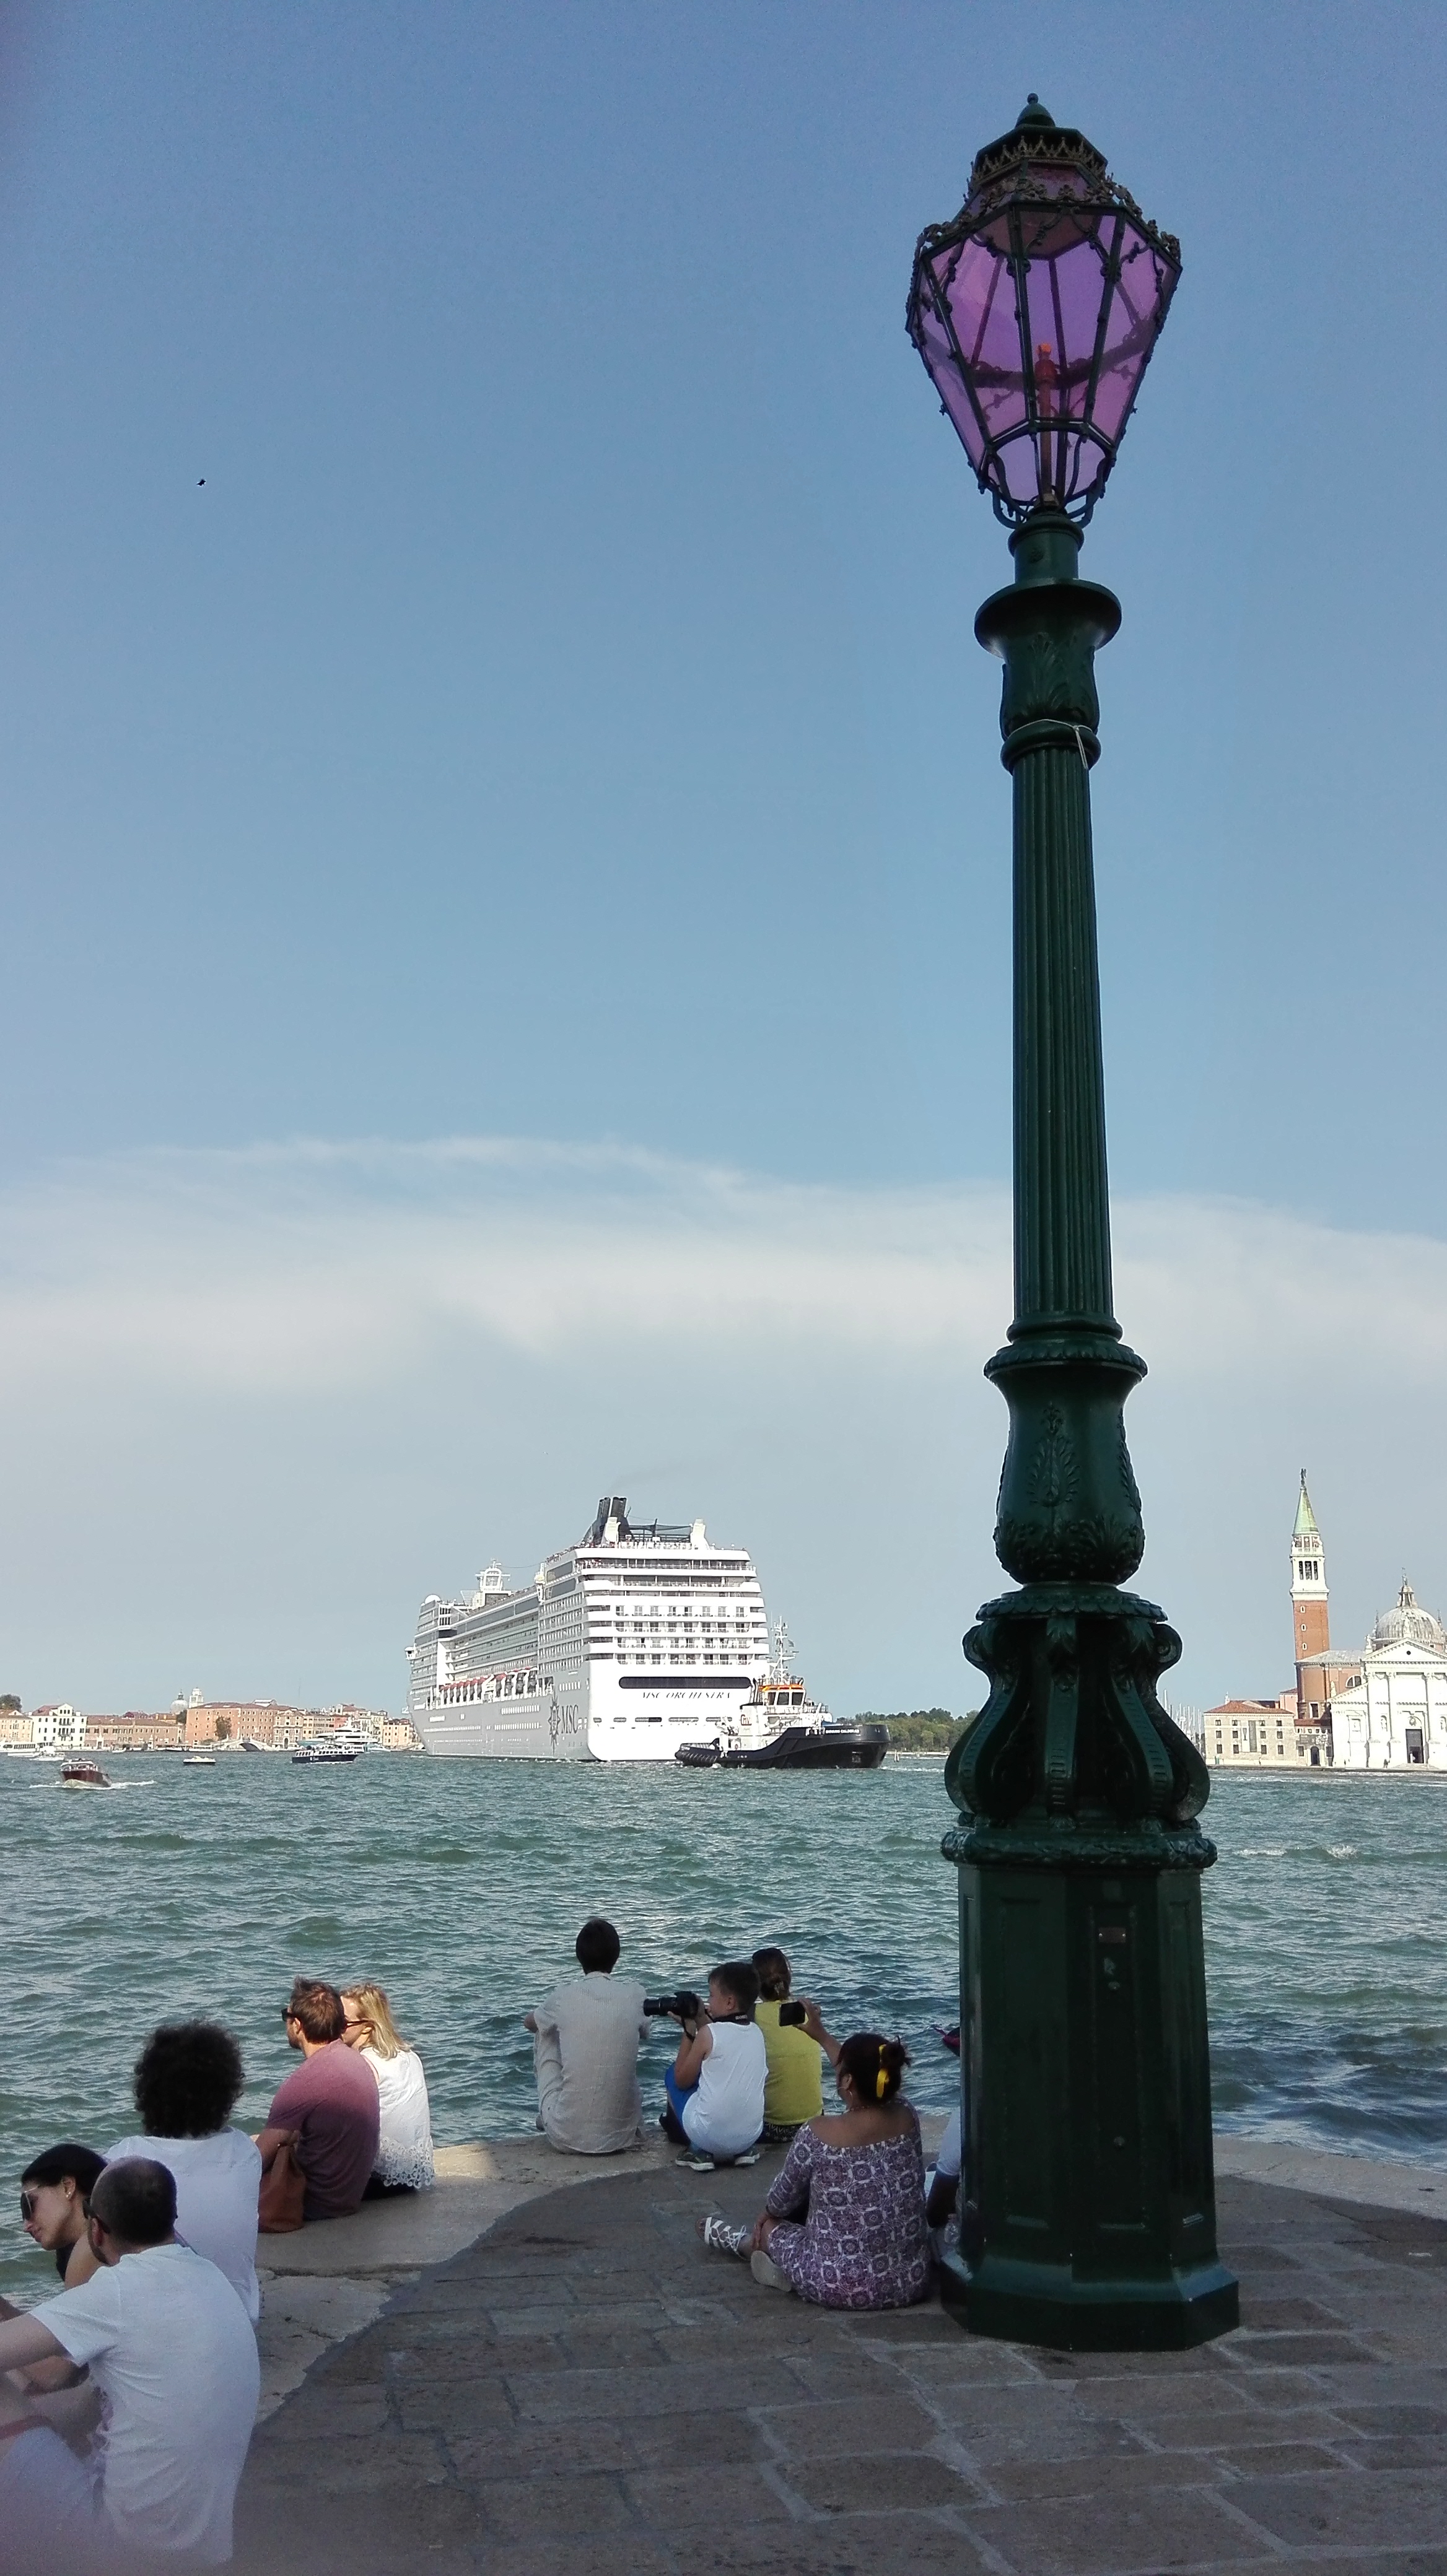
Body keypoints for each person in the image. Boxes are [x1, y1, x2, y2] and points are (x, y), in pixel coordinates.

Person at [0, 2157, 260, 2571]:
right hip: (203, 2546)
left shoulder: (118, 2291)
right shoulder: (210, 2276)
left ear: (97, 2230)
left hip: (125, 2546)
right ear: (171, 2219)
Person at [698, 2032, 931, 2310]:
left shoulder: (818, 2134)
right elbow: (862, 2074)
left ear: (847, 2080)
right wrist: (820, 2034)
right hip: (909, 2281)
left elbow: (780, 2201)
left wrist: (766, 2217)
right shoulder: (907, 2115)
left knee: (773, 2226)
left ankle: (746, 2245)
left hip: (837, 2285)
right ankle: (769, 2259)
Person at [105, 2021, 262, 2318]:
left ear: (148, 2091)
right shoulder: (244, 2151)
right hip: (239, 2319)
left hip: (161, 2323)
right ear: (226, 2093)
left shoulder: (122, 2159)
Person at [256, 1978, 379, 2221]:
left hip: (313, 2204)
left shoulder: (303, 2082)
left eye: (286, 2016)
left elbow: (256, 2161)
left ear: (298, 2025)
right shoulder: (359, 2062)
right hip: (348, 2197)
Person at [522, 1919, 647, 2156]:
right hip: (622, 2136)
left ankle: (550, 2115)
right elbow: (646, 2033)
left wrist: (548, 2018)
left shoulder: (564, 1996)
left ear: (579, 1957)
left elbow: (529, 2023)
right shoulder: (636, 1994)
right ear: (616, 1956)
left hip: (567, 2136)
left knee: (544, 2030)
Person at [661, 1961, 767, 2171]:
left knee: (672, 2074)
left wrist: (689, 2029)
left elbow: (681, 2081)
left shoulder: (707, 2035)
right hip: (750, 2135)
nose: (709, 2000)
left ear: (729, 2002)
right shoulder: (757, 2032)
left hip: (708, 2136)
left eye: (711, 1995)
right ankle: (742, 2151)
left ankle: (698, 2150)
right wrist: (701, 2018)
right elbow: (721, 2039)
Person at [340, 1985, 435, 2192]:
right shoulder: (410, 2055)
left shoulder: (365, 2063)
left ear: (367, 2027)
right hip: (412, 2173)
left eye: (342, 2022)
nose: (334, 2026)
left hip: (378, 2179)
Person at [750, 1947, 841, 2143]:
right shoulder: (808, 2010)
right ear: (788, 1977)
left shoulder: (752, 2015)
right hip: (813, 2124)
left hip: (772, 2127)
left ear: (755, 1984)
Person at [13, 2145, 106, 2290]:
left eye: (28, 2204)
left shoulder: (94, 2248)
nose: (26, 2226)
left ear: (67, 2186)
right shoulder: (116, 2233)